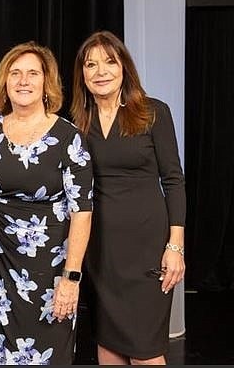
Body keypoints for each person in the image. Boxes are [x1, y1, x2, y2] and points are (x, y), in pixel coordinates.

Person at [70, 30, 186, 365]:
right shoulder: (78, 122)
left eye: (109, 61)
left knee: (146, 353)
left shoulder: (153, 112)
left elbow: (174, 181)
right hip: (101, 251)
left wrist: (175, 245)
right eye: (90, 65)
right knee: (109, 347)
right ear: (82, 75)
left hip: (147, 249)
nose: (100, 71)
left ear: (124, 68)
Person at [0, 41, 93, 365]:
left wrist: (71, 279)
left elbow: (82, 212)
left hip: (51, 274)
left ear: (46, 82)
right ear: (4, 81)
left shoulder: (68, 137)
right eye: (15, 73)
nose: (23, 81)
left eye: (32, 73)